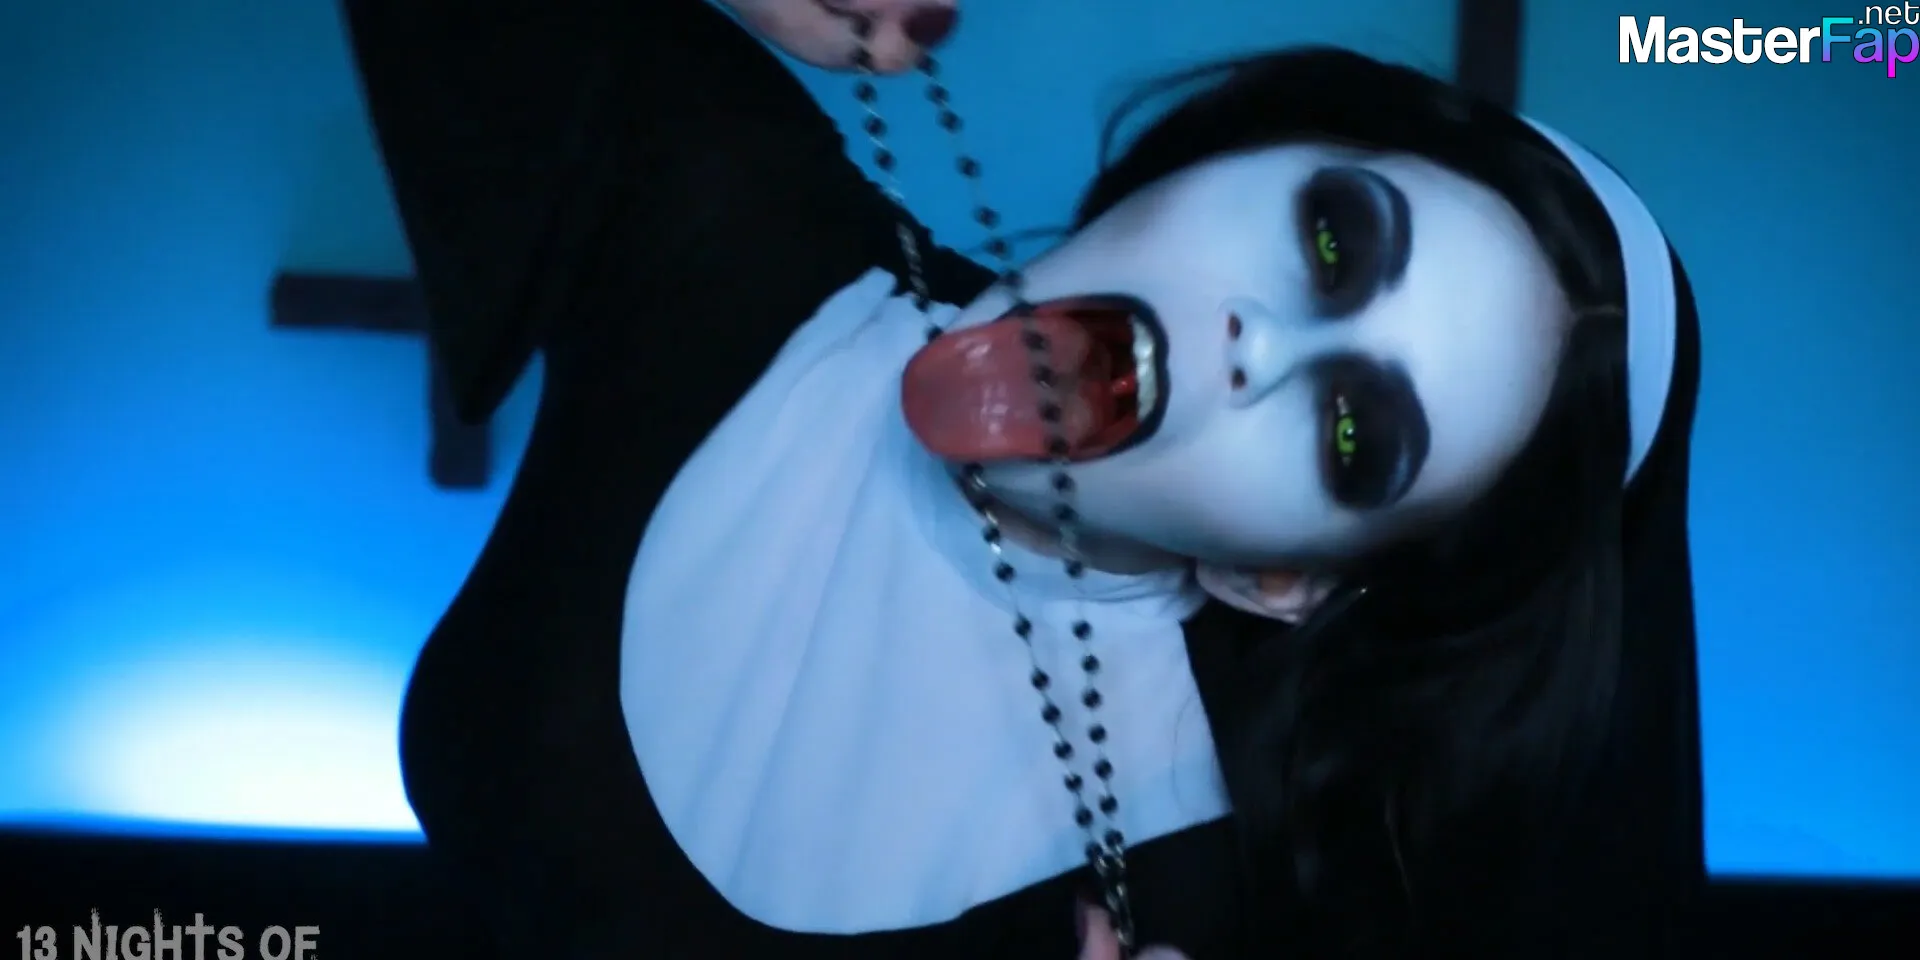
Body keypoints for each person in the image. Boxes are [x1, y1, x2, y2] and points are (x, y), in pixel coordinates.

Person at [343, 0, 1705, 956]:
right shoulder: (720, 203)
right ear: (1233, 152)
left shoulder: (1196, 909)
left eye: (1355, 437)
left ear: (1280, 581)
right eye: (1334, 240)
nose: (1262, 343)